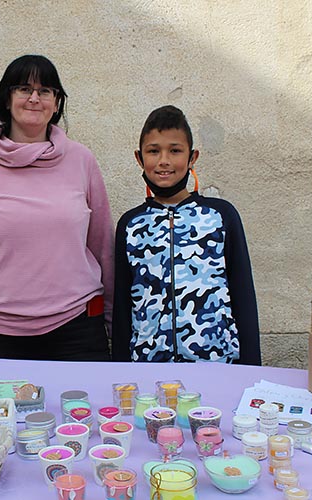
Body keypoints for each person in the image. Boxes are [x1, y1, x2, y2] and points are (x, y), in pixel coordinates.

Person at [0, 54, 114, 361]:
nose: (34, 98)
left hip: (77, 328)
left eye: (45, 90)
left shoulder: (82, 160)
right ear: (6, 100)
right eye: (23, 89)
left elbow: (103, 248)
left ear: (56, 103)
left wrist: (113, 322)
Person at [112, 105, 261, 365]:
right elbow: (122, 306)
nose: (164, 161)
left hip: (217, 366)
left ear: (192, 157)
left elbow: (243, 296)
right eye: (153, 151)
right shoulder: (130, 224)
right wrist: (121, 369)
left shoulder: (221, 216)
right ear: (139, 158)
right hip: (148, 368)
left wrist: (251, 370)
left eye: (175, 151)